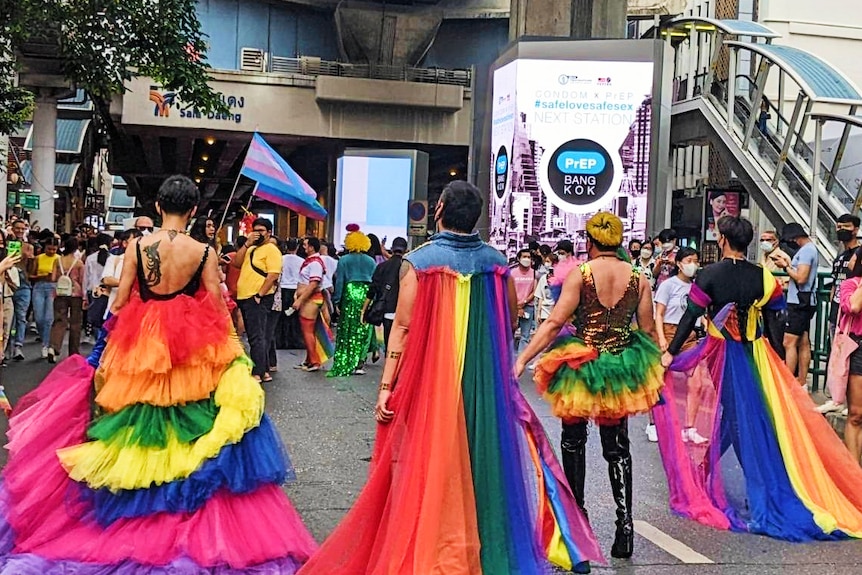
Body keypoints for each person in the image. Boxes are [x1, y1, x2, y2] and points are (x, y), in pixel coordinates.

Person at [0, 175, 317, 572]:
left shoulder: (138, 244)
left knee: (135, 423)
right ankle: (181, 514)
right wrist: (234, 352)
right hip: (192, 344)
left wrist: (107, 347)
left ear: (157, 208)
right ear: (195, 211)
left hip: (139, 340)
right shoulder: (202, 250)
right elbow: (217, 304)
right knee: (191, 423)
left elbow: (121, 299)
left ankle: (131, 516)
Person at [298, 181, 602, 575]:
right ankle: (480, 552)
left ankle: (436, 551)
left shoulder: (421, 262)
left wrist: (387, 386)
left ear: (439, 208)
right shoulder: (496, 264)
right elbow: (509, 320)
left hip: (430, 385)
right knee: (484, 470)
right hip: (484, 384)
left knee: (428, 467)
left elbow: (402, 330)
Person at [656, 215, 862, 540]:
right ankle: (720, 476)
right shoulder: (765, 278)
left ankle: (749, 485)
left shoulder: (709, 275)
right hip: (759, 355)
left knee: (739, 420)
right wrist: (779, 362)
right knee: (746, 417)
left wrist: (670, 352)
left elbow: (690, 317)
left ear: (723, 239)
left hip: (723, 356)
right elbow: (774, 324)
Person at [516, 212, 662, 561]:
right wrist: (655, 367)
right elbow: (646, 330)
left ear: (590, 242)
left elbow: (554, 322)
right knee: (617, 447)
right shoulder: (639, 277)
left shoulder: (581, 274)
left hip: (581, 366)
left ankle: (577, 522)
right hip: (621, 366)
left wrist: (523, 359)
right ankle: (624, 527)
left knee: (573, 441)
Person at [654, 246, 707, 445]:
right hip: (668, 332)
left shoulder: (697, 287)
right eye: (689, 260)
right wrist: (661, 338)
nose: (693, 265)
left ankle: (690, 428)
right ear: (679, 264)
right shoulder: (668, 285)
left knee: (696, 382)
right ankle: (656, 424)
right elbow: (659, 314)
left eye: (696, 260)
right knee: (658, 381)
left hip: (689, 337)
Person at [232, 217, 282, 384]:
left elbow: (273, 274)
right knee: (256, 334)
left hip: (257, 298)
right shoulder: (251, 248)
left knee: (256, 336)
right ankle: (264, 370)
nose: (258, 234)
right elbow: (236, 263)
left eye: (261, 231)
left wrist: (260, 295)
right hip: (245, 296)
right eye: (255, 231)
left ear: (269, 233)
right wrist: (246, 244)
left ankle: (258, 372)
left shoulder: (271, 250)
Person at [328, 225, 378, 377]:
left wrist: (337, 301)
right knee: (364, 328)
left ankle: (347, 358)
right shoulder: (371, 261)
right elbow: (375, 282)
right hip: (366, 294)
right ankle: (360, 362)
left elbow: (340, 281)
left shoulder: (344, 260)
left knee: (348, 328)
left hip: (350, 293)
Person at [774, 222, 818, 387]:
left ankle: (788, 381)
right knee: (803, 340)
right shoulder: (811, 249)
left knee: (789, 342)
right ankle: (801, 380)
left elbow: (801, 278)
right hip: (806, 301)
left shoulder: (806, 251)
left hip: (798, 302)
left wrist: (786, 267)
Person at [292, 237, 334, 372]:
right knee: (310, 330)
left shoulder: (315, 263)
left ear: (311, 247)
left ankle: (314, 362)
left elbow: (314, 283)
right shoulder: (311, 261)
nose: (303, 247)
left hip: (311, 300)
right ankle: (309, 360)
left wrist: (300, 299)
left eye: (305, 245)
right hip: (309, 299)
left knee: (307, 330)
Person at [837, 254, 862, 465]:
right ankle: (854, 474)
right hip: (857, 348)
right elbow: (853, 306)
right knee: (856, 414)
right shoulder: (850, 285)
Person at [366, 236, 408, 350]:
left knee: (388, 343)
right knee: (401, 345)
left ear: (392, 248)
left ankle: (388, 365)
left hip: (386, 310)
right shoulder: (410, 268)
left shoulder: (382, 266)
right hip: (404, 312)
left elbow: (372, 289)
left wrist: (364, 310)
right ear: (406, 250)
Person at [48, 236, 85, 363]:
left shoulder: (57, 261)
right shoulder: (79, 263)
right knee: (75, 323)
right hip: (76, 294)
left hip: (60, 293)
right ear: (76, 248)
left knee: (59, 320)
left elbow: (53, 278)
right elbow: (82, 280)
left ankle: (54, 347)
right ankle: (73, 352)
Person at [30, 236, 59, 359]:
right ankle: (43, 338)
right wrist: (40, 277)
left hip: (53, 287)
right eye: (49, 249)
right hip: (39, 287)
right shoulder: (38, 258)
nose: (51, 251)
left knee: (49, 318)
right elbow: (31, 274)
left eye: (54, 249)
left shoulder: (59, 259)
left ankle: (46, 345)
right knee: (39, 318)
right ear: (44, 247)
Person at [9, 219, 34, 360]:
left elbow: (31, 270)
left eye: (22, 228)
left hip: (24, 284)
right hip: (8, 282)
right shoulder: (7, 245)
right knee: (7, 318)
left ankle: (18, 345)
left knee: (21, 316)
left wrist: (29, 259)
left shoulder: (29, 247)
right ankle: (7, 345)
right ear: (12, 228)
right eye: (17, 228)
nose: (19, 231)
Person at [279, 239, 305, 349]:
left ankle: (281, 341)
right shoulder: (302, 261)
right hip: (296, 290)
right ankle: (295, 340)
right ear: (297, 247)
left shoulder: (281, 259)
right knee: (295, 318)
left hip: (283, 288)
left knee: (282, 317)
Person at [513, 248, 538, 353]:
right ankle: (508, 360)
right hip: (513, 307)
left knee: (525, 336)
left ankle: (520, 361)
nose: (527, 259)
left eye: (528, 257)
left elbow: (535, 291)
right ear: (519, 258)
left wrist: (524, 303)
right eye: (524, 257)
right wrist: (517, 306)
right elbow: (509, 290)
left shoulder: (534, 273)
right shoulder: (512, 273)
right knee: (509, 334)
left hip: (528, 306)